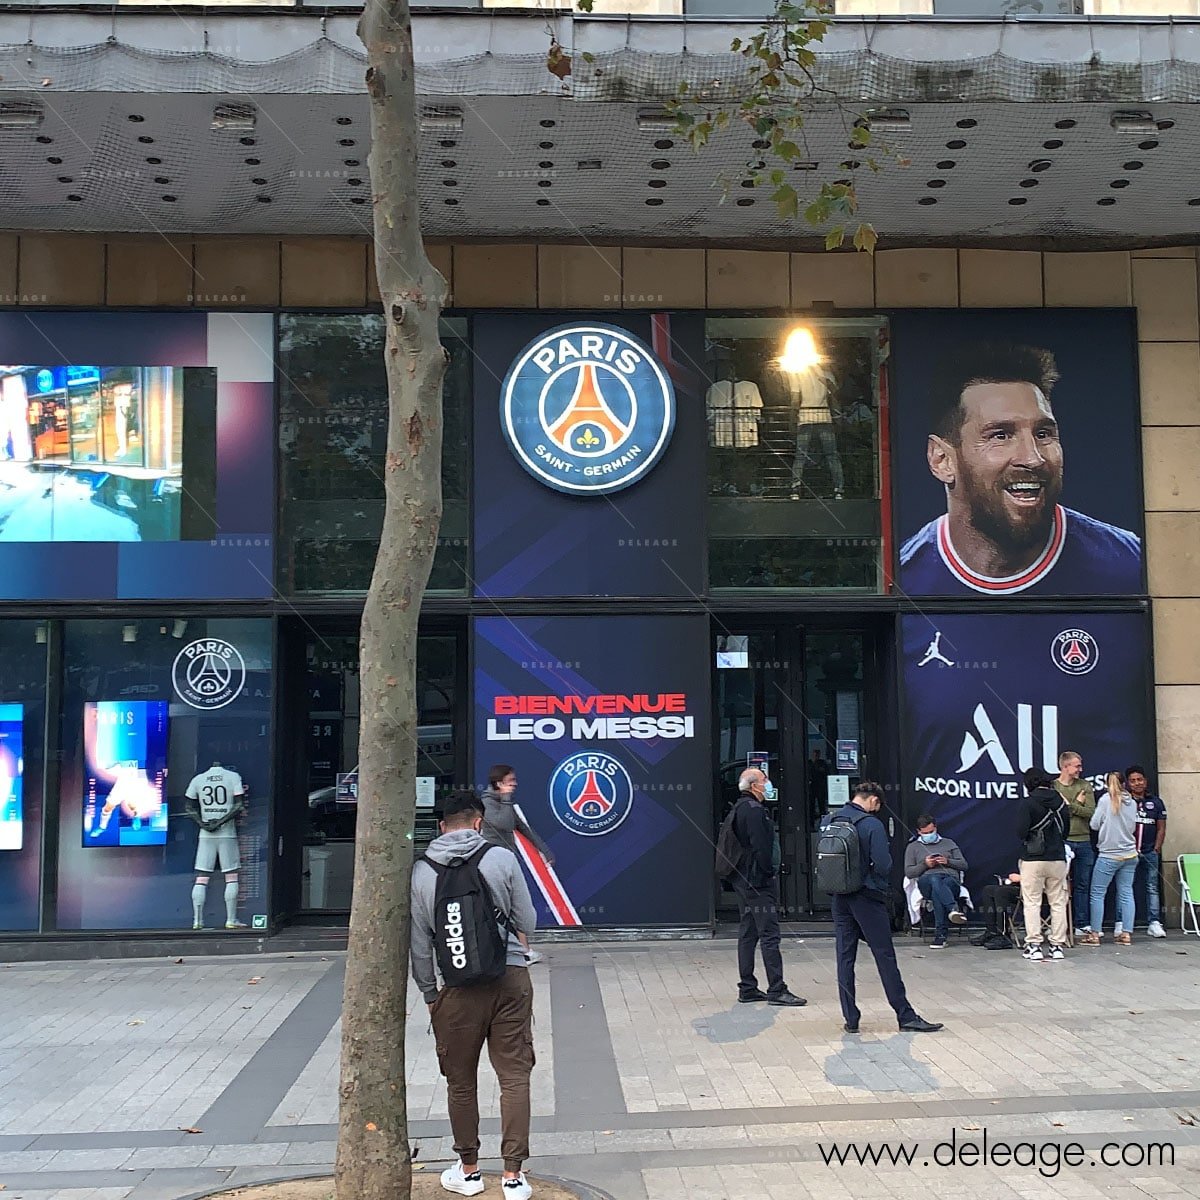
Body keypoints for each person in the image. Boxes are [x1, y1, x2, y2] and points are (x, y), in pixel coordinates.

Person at [899, 341, 1141, 596]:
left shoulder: (1131, 566)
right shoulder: (905, 581)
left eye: (1043, 433)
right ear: (942, 460)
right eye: (1001, 435)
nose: (1033, 458)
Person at [411, 790, 538, 1199]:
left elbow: (419, 943)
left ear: (442, 826)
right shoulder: (501, 858)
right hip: (510, 978)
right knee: (514, 1077)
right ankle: (514, 1178)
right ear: (479, 822)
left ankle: (468, 1171)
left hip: (456, 989)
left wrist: (431, 994)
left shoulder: (422, 871)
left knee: (460, 1083)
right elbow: (527, 920)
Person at [831, 782, 942, 1033]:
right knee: (884, 955)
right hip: (866, 897)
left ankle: (851, 1018)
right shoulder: (871, 824)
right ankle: (905, 1015)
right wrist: (880, 886)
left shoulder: (832, 819)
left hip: (839, 896)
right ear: (873, 801)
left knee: (844, 957)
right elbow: (883, 863)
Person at [728, 768, 805, 1007]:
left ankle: (747, 987)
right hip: (757, 882)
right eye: (764, 780)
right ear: (754, 786)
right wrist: (768, 873)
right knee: (769, 934)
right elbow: (761, 847)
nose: (768, 783)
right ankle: (777, 989)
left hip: (743, 879)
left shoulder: (739, 808)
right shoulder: (754, 811)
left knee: (748, 931)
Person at [481, 764, 554, 966]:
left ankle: (523, 950)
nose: (515, 784)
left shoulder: (505, 804)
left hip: (507, 861)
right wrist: (505, 799)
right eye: (510, 781)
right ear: (498, 783)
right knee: (504, 905)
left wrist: (544, 850)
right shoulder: (487, 803)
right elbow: (503, 824)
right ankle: (520, 951)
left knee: (515, 904)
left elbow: (521, 827)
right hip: (492, 863)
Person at [184, 760, 248, 931]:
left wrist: (203, 823)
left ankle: (197, 920)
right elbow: (239, 805)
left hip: (205, 834)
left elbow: (189, 807)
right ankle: (231, 919)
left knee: (202, 877)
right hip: (227, 832)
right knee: (231, 876)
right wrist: (220, 821)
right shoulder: (233, 777)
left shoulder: (198, 779)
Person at [1015, 767, 1070, 962]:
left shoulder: (1028, 803)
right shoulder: (1061, 802)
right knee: (1058, 903)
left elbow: (1021, 832)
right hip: (1057, 858)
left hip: (1033, 859)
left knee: (1032, 903)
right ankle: (1057, 946)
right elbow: (1065, 832)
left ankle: (1034, 945)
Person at [1081, 772, 1139, 947]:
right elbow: (1133, 826)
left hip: (1108, 854)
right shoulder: (1132, 802)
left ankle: (1095, 934)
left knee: (1098, 894)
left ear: (1107, 784)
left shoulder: (1105, 800)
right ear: (1124, 783)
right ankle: (1126, 933)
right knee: (1127, 893)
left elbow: (1094, 824)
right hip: (1130, 853)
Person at [903, 814, 969, 948]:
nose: (929, 835)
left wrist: (948, 861)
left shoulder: (949, 843)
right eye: (925, 833)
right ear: (919, 832)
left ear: (936, 828)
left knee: (938, 889)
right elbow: (909, 872)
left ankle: (940, 936)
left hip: (950, 881)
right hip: (925, 882)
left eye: (931, 832)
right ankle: (952, 908)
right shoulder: (913, 847)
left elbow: (964, 865)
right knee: (934, 879)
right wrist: (925, 864)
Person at [1054, 751, 1097, 937]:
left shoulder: (1085, 785)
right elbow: (1055, 814)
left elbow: (1091, 812)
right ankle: (1058, 924)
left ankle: (1081, 923)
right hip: (1062, 840)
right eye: (1077, 766)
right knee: (1058, 885)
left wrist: (1070, 805)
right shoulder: (1053, 786)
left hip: (1084, 840)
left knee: (1082, 884)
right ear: (1065, 767)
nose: (1081, 769)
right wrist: (1076, 804)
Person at [1127, 764, 1168, 939]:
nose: (1137, 784)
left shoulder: (1156, 802)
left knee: (1152, 887)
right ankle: (1123, 923)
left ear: (1145, 781)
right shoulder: (1125, 801)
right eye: (1133, 781)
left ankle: (1154, 922)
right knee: (1125, 888)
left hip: (1150, 851)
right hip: (1128, 852)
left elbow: (1161, 828)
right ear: (1127, 784)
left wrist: (1157, 848)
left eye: (1140, 780)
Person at [970, 871, 1022, 949]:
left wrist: (1022, 878)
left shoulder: (1043, 862)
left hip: (1035, 891)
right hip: (1022, 887)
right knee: (988, 890)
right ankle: (992, 931)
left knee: (1002, 892)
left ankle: (1004, 935)